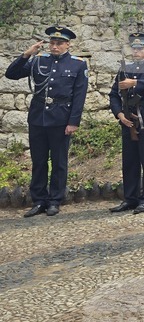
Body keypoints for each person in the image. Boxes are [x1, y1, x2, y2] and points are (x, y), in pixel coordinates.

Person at [5, 25, 89, 218]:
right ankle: (39, 200)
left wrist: (73, 121)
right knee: (39, 161)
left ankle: (55, 200)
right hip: (38, 117)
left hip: (61, 119)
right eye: (52, 42)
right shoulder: (38, 60)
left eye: (59, 43)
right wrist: (27, 54)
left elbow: (79, 96)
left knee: (59, 162)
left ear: (68, 44)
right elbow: (11, 74)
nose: (54, 46)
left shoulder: (78, 64)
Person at [108, 33, 144, 214]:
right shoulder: (126, 68)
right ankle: (130, 198)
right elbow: (114, 94)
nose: (136, 51)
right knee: (129, 161)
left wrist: (134, 82)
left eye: (140, 48)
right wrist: (119, 114)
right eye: (134, 48)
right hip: (128, 118)